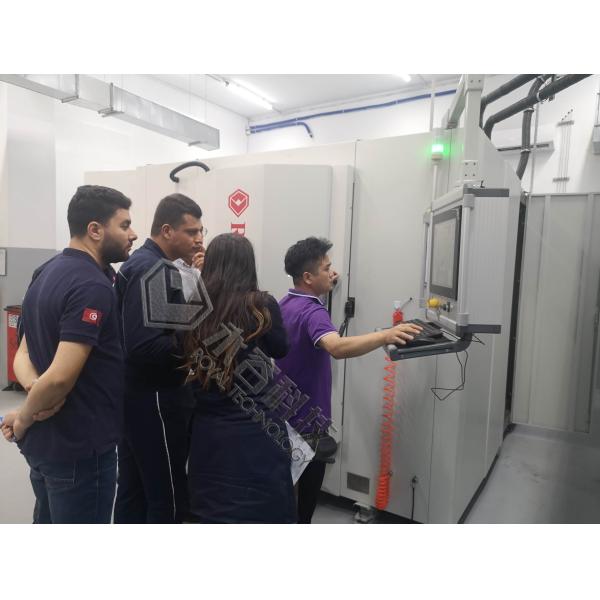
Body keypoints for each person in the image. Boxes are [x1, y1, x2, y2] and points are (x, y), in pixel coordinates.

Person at [0, 185, 137, 524]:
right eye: (124, 225)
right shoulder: (91, 286)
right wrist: (25, 418)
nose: (133, 234)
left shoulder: (46, 271)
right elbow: (60, 379)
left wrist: (34, 392)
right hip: (79, 449)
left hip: (48, 448)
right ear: (95, 230)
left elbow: (23, 352)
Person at [276, 237, 422, 523]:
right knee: (304, 503)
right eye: (326, 268)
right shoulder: (313, 312)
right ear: (308, 277)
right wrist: (386, 335)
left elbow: (310, 322)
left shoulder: (286, 303)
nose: (332, 272)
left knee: (287, 491)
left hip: (285, 413)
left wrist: (327, 282)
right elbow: (337, 347)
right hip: (309, 422)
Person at [183, 233, 296, 523]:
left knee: (213, 503)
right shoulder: (261, 305)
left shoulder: (195, 306)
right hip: (257, 422)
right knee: (263, 506)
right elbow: (280, 348)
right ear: (248, 265)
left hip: (209, 424)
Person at [113, 193, 205, 524]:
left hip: (138, 396)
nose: (199, 239)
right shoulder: (154, 270)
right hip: (155, 400)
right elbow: (145, 346)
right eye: (191, 232)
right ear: (167, 231)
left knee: (135, 489)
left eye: (201, 231)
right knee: (167, 496)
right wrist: (195, 347)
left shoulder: (147, 265)